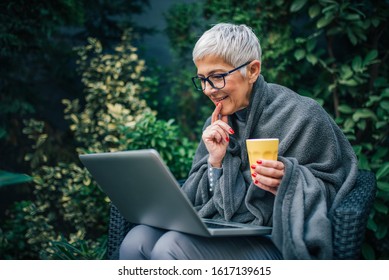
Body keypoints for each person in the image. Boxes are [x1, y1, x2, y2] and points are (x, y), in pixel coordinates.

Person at [119, 23, 358, 260]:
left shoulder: (303, 114)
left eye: (217, 77)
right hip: (225, 229)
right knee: (136, 239)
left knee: (171, 246)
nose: (208, 90)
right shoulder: (215, 124)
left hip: (276, 238)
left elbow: (335, 186)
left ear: (252, 70)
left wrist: (290, 180)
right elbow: (195, 199)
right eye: (202, 79)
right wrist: (216, 161)